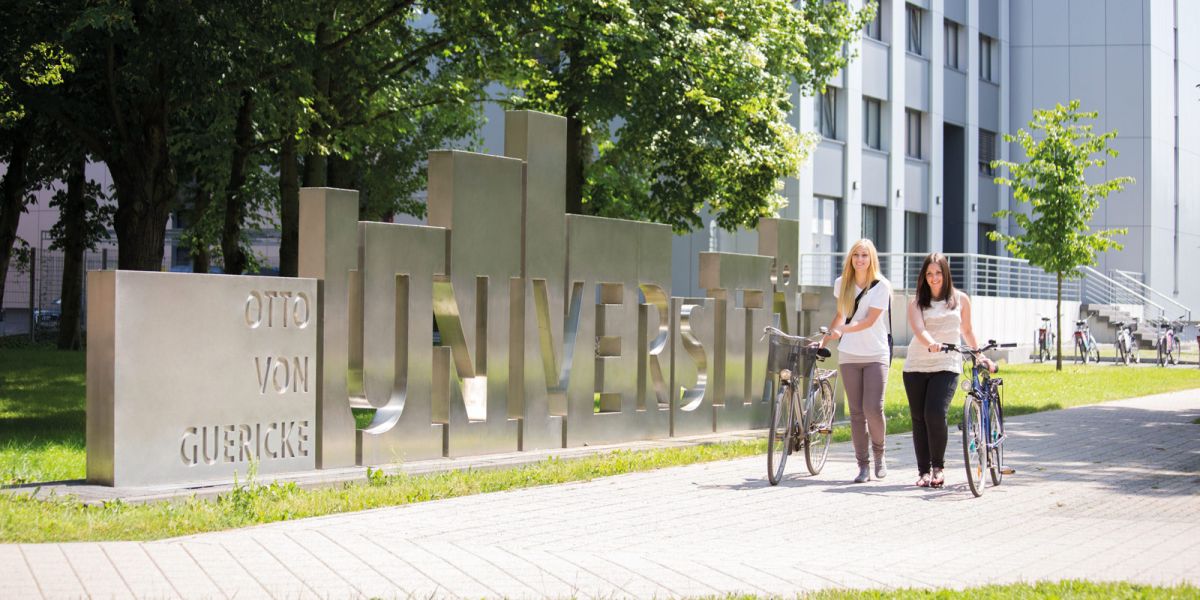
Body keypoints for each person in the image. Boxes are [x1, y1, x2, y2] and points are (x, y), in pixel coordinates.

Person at [902, 252, 990, 488]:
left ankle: (938, 468)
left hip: (947, 365)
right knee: (919, 418)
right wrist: (930, 342)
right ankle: (923, 471)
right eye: (929, 274)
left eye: (938, 273)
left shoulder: (960, 299)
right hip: (916, 366)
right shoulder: (916, 302)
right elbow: (919, 329)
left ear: (946, 273)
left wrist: (978, 354)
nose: (934, 278)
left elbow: (968, 330)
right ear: (924, 276)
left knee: (934, 412)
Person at [821, 239, 892, 483]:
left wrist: (842, 331)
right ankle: (863, 465)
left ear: (871, 258)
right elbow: (841, 315)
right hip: (850, 355)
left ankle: (880, 455)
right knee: (856, 413)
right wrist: (824, 340)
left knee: (873, 409)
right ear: (850, 258)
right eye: (856, 255)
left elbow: (869, 321)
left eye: (864, 255)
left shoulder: (881, 286)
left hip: (875, 354)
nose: (860, 259)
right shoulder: (841, 284)